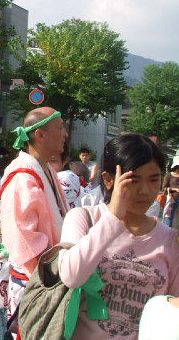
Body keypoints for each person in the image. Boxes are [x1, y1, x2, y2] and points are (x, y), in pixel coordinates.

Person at [58, 134, 179, 339]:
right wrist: (113, 217)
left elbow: (173, 309)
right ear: (108, 179)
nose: (145, 191)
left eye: (154, 180)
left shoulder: (170, 240)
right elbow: (71, 276)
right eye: (133, 180)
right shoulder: (84, 219)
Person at [0, 107, 68, 333]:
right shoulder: (23, 175)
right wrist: (55, 272)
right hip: (37, 278)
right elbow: (24, 238)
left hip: (49, 274)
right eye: (60, 127)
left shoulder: (43, 170)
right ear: (40, 134)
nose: (65, 134)